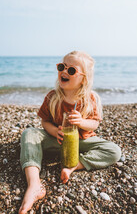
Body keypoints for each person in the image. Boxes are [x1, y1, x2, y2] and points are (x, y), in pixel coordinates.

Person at [19, 51, 121, 214]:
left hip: (82, 143)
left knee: (114, 151)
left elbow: (94, 124)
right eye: (61, 67)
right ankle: (34, 184)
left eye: (71, 70)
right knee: (29, 133)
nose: (64, 72)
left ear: (83, 79)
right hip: (57, 141)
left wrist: (81, 122)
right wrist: (54, 131)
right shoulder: (53, 97)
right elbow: (44, 122)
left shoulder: (89, 99)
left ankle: (74, 165)